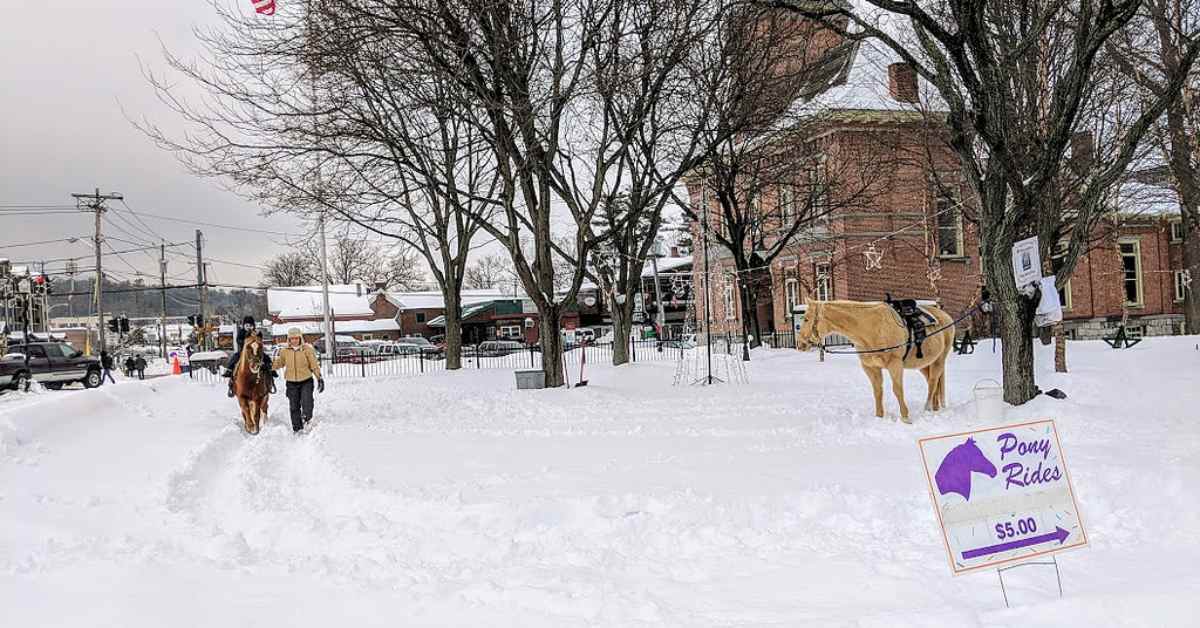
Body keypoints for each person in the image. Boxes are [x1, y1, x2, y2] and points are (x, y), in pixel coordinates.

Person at [272, 327, 324, 433]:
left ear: (300, 338)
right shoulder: (284, 351)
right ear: (289, 340)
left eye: (297, 338)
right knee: (294, 406)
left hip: (306, 381)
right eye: (292, 338)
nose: (294, 340)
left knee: (307, 403)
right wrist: (269, 366)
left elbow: (314, 365)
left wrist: (319, 378)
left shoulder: (307, 349)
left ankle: (306, 418)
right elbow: (280, 363)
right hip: (291, 383)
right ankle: (297, 428)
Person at [224, 315, 275, 397]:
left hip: (255, 352)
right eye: (247, 325)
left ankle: (271, 370)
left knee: (266, 357)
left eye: (250, 325)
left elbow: (260, 340)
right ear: (244, 326)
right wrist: (245, 342)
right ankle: (229, 371)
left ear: (253, 326)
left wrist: (259, 335)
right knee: (235, 357)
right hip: (244, 352)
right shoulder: (241, 332)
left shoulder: (255, 332)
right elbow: (238, 340)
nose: (248, 327)